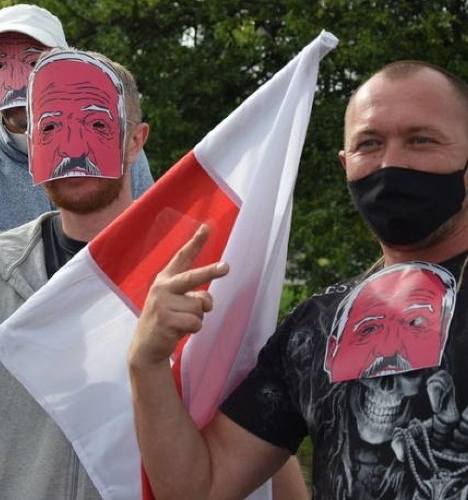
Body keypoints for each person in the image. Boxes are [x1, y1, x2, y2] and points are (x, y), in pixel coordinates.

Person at [0, 48, 306, 499]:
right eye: (51, 127)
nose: (72, 147)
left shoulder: (201, 266)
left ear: (135, 140)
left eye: (96, 125)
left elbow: (264, 437)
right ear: (32, 143)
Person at [128, 60, 468, 499]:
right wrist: (147, 363)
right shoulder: (316, 328)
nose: (391, 162)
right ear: (346, 164)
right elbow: (200, 488)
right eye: (370, 144)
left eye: (421, 140)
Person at [0, 3, 155, 498]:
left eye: (34, 60)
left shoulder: (121, 150)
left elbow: (143, 256)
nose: (17, 76)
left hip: (108, 430)